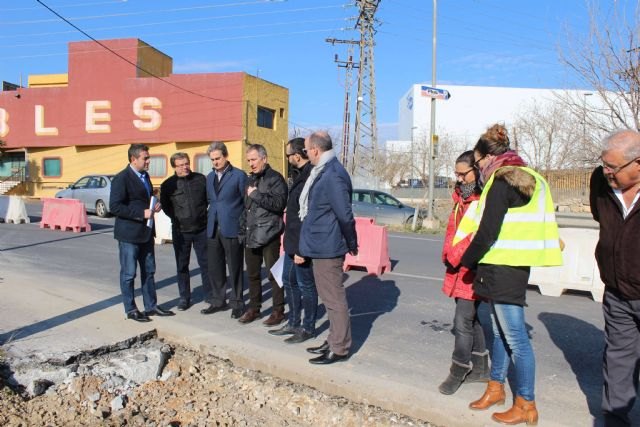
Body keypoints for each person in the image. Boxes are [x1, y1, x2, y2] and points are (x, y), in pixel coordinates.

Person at [458, 124, 562, 425]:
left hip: (502, 269)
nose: (478, 170)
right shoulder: (531, 178)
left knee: (515, 338)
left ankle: (526, 403)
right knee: (503, 335)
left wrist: (466, 262)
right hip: (510, 267)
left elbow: (488, 230)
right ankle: (496, 388)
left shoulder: (501, 182)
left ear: (487, 158)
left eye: (477, 164)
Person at [590, 130, 640, 427]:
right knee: (618, 359)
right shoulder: (600, 182)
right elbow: (604, 220)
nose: (606, 172)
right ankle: (616, 418)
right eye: (603, 164)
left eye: (613, 167)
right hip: (617, 292)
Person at [300, 131, 358, 365]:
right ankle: (334, 339)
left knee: (334, 300)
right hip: (320, 244)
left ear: (315, 149)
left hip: (328, 246)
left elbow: (344, 214)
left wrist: (352, 242)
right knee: (329, 297)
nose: (306, 154)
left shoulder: (333, 174)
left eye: (306, 150)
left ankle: (340, 347)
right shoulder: (324, 170)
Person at [438, 150, 489, 395]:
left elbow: (472, 237)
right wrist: (448, 254)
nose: (458, 179)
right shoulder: (461, 197)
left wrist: (454, 257)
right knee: (472, 319)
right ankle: (480, 368)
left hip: (471, 267)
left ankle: (458, 369)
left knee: (462, 322)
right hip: (458, 265)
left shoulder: (481, 201)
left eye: (462, 174)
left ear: (476, 171)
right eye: (456, 174)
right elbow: (453, 231)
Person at [110, 143, 175, 322]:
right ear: (133, 159)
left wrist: (155, 205)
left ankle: (151, 306)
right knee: (129, 273)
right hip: (129, 235)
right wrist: (141, 213)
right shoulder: (121, 179)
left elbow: (143, 200)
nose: (148, 161)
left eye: (148, 158)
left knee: (149, 271)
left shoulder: (145, 176)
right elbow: (115, 206)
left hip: (146, 233)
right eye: (145, 158)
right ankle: (130, 309)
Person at [268, 137, 319, 344]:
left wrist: (301, 249)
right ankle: (293, 322)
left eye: (288, 154)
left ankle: (308, 327)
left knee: (306, 286)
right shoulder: (299, 175)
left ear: (297, 155)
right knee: (289, 281)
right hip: (291, 242)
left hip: (301, 244)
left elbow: (308, 216)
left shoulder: (311, 177)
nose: (287, 158)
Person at [237, 144, 288, 325]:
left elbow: (279, 205)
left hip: (269, 234)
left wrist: (257, 195)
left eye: (253, 159)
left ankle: (278, 310)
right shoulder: (250, 180)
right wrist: (242, 230)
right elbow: (246, 208)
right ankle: (254, 308)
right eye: (248, 160)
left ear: (264, 159)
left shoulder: (276, 179)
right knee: (252, 274)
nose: (250, 164)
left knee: (274, 275)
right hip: (251, 234)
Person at [203, 142, 247, 319]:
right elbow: (210, 200)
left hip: (232, 226)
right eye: (212, 159)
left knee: (235, 266)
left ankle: (237, 302)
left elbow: (246, 203)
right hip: (213, 227)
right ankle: (218, 301)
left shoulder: (239, 175)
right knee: (215, 267)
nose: (215, 162)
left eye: (218, 158)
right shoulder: (209, 177)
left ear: (226, 156)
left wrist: (242, 226)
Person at [160, 152, 209, 311]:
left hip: (202, 229)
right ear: (174, 167)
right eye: (180, 165)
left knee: (206, 263)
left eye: (186, 163)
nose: (185, 167)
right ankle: (184, 298)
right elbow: (166, 207)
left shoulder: (200, 179)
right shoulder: (168, 185)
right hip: (181, 231)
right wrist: (178, 218)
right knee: (182, 265)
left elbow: (208, 199)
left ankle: (210, 294)